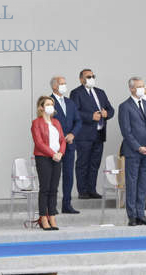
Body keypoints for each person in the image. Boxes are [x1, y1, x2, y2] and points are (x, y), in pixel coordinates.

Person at [118, 78, 146, 227]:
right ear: (132, 89)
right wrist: (138, 147)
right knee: (132, 183)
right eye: (139, 86)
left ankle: (141, 214)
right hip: (134, 152)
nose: (142, 88)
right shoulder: (125, 106)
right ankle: (132, 216)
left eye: (143, 86)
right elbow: (126, 131)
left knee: (143, 184)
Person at [70, 69, 114, 201]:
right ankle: (82, 191)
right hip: (84, 135)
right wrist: (90, 116)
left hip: (99, 134)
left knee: (95, 163)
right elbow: (75, 112)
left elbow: (111, 109)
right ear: (81, 79)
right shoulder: (76, 93)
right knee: (83, 163)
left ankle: (92, 189)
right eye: (88, 76)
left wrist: (107, 114)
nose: (91, 78)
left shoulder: (100, 92)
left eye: (93, 76)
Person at [31, 96, 66, 231]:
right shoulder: (36, 123)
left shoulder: (56, 122)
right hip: (44, 157)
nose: (51, 106)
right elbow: (39, 143)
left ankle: (52, 215)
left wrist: (60, 153)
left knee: (54, 188)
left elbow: (62, 140)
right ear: (41, 107)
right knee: (45, 188)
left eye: (52, 104)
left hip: (57, 157)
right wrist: (53, 154)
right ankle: (43, 217)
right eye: (48, 104)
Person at [49, 76, 82, 214]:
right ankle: (51, 206)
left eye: (65, 83)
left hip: (69, 144)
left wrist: (73, 134)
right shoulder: (48, 102)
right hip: (55, 146)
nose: (64, 86)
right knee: (54, 176)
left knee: (68, 175)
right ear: (54, 86)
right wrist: (61, 137)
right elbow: (47, 123)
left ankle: (67, 204)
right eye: (61, 83)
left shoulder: (70, 102)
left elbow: (78, 121)